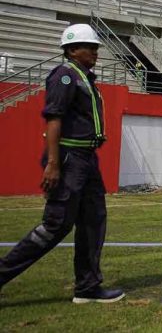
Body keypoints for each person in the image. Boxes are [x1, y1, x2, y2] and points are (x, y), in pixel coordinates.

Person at [0, 24, 124, 304]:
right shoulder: (64, 76)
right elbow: (53, 119)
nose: (95, 52)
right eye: (90, 47)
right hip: (69, 159)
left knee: (93, 221)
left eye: (96, 47)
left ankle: (88, 287)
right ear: (72, 49)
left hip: (87, 159)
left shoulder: (83, 77)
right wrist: (53, 163)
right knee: (56, 225)